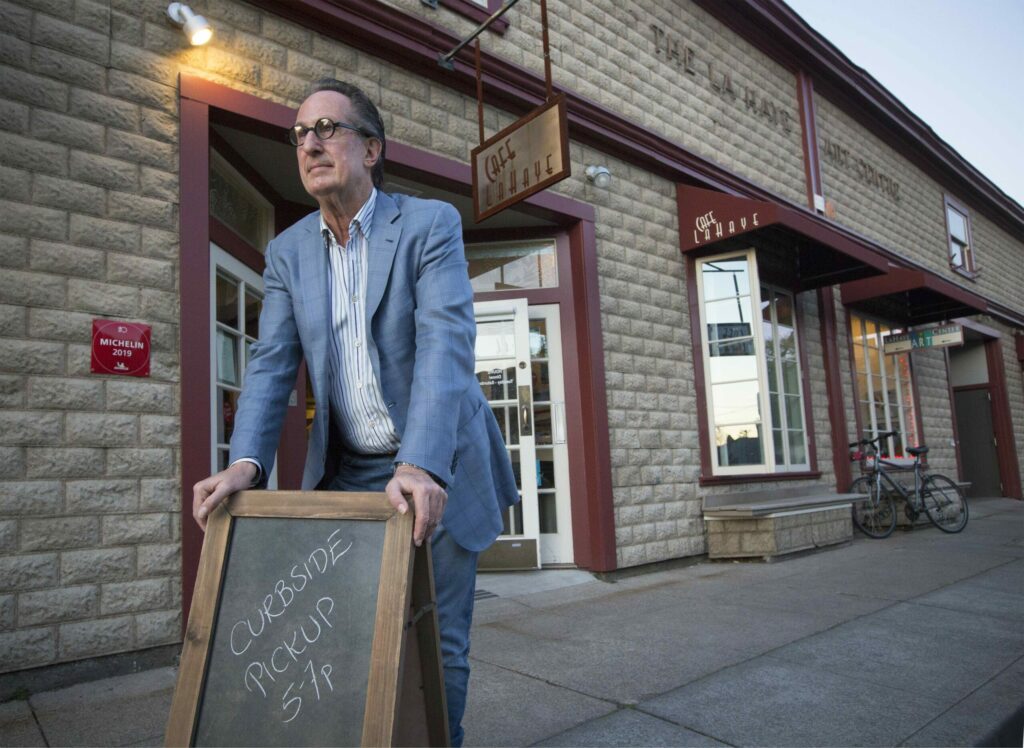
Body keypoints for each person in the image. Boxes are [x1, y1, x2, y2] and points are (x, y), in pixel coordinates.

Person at [192, 78, 518, 745]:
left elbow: (444, 346)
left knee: (440, 642)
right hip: (349, 476)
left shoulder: (429, 225)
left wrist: (421, 464)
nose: (309, 144)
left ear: (371, 149)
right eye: (300, 134)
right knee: (349, 640)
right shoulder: (287, 253)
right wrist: (245, 465)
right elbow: (271, 363)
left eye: (327, 129)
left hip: (440, 466)